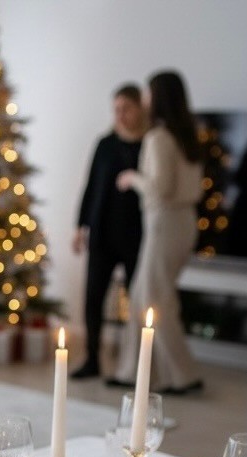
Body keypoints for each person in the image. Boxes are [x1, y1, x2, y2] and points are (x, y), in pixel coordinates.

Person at [108, 71, 204, 395]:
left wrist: (132, 178)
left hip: (165, 223)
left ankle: (183, 375)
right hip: (181, 222)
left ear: (158, 97)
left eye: (149, 94)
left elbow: (161, 188)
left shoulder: (160, 138)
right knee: (139, 294)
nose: (145, 101)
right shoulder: (187, 134)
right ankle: (134, 372)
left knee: (154, 298)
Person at [72, 84, 145, 379]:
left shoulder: (150, 144)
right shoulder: (105, 144)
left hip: (136, 236)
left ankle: (134, 363)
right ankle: (92, 358)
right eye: (116, 109)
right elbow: (90, 187)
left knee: (137, 300)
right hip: (102, 234)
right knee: (93, 299)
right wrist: (80, 227)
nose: (121, 115)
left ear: (140, 108)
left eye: (126, 108)